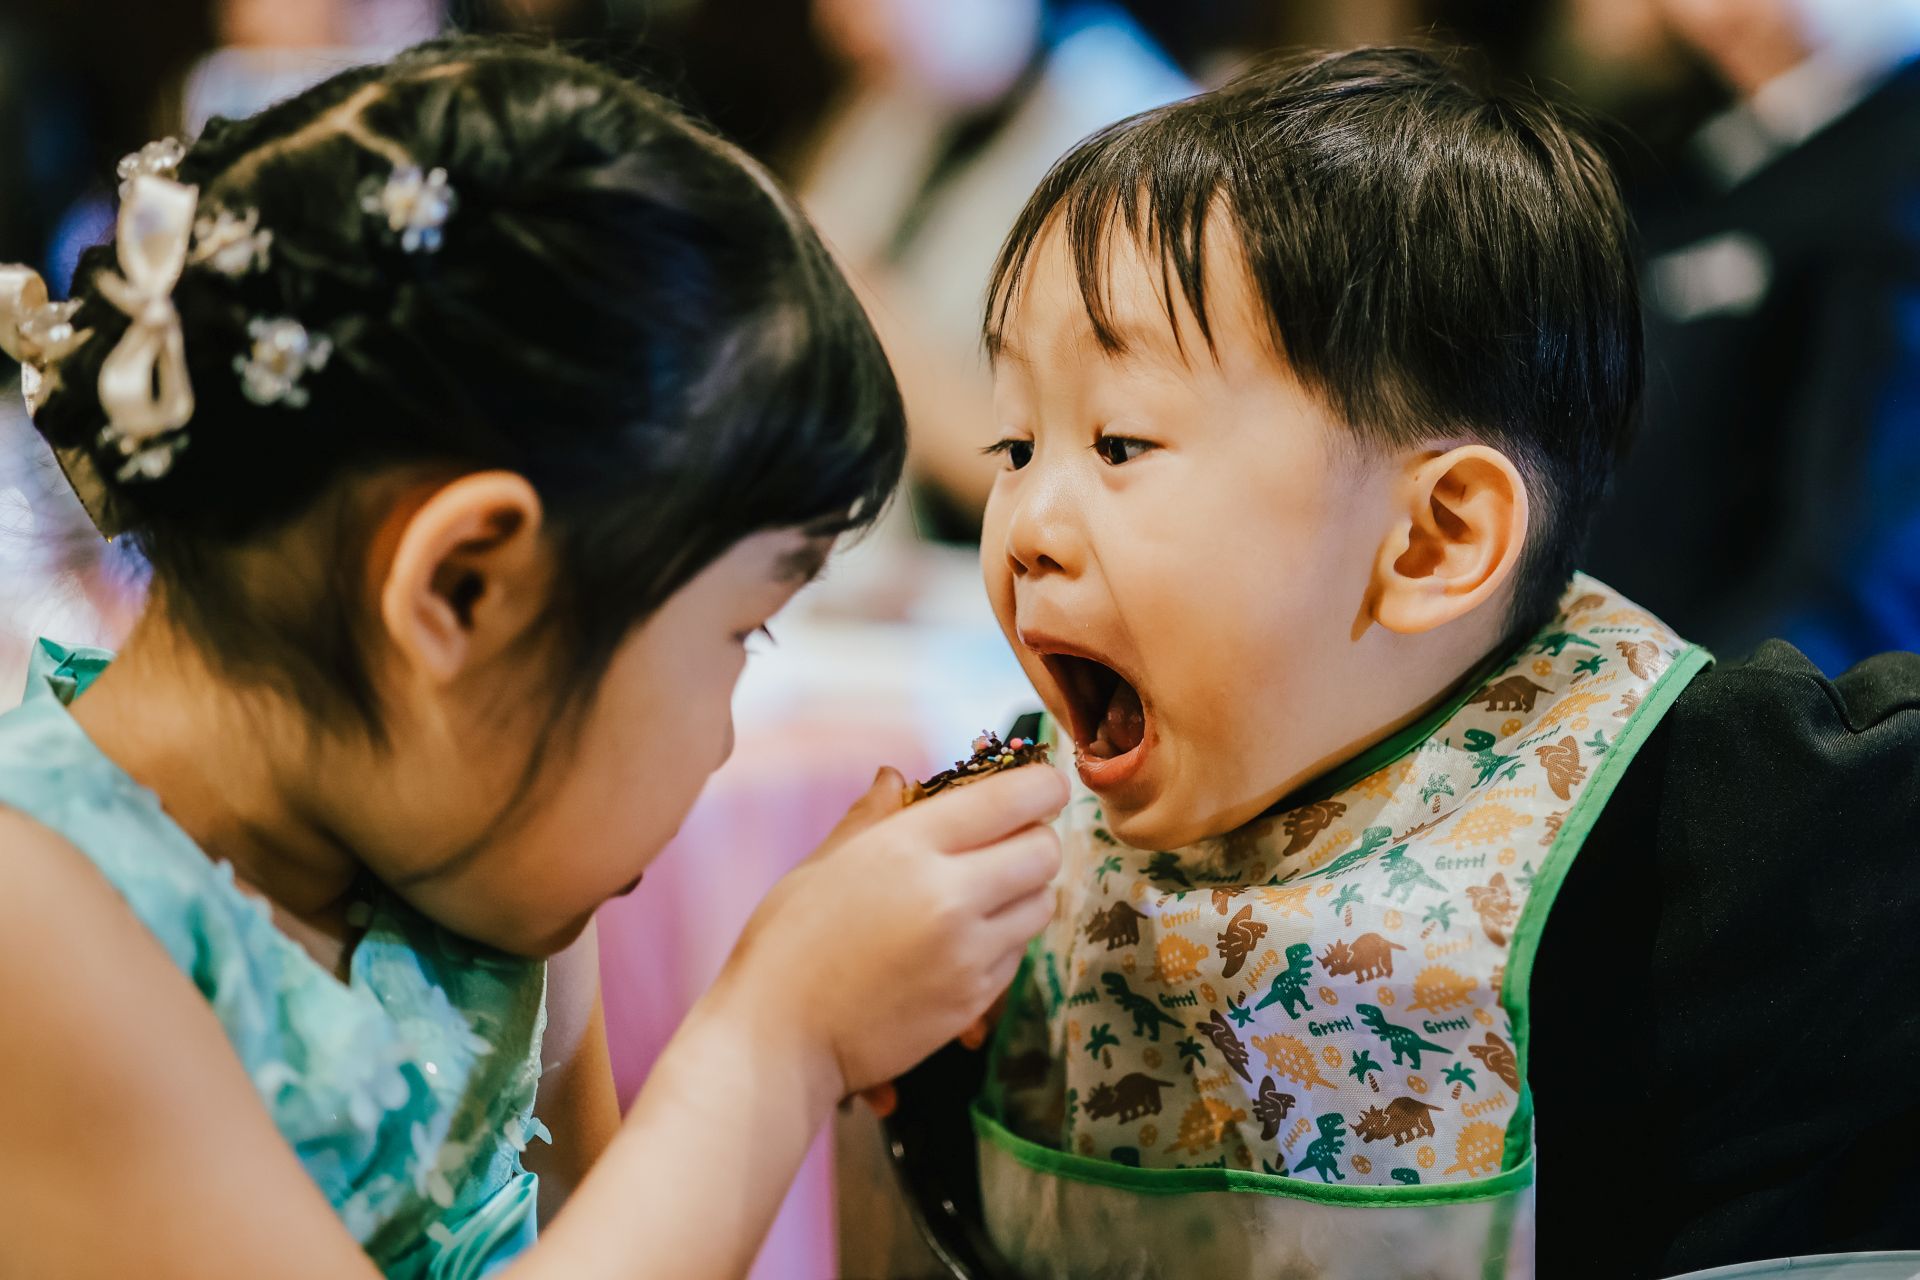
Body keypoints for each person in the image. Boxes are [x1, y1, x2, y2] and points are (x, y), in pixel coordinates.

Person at [0, 38, 1069, 1279]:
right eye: (740, 632)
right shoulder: (37, 922)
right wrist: (779, 1035)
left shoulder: (466, 846)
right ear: (462, 589)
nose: (726, 732)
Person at [883, 46, 1920, 1279]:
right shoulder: (1024, 847)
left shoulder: (1704, 807)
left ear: (1434, 539)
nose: (1028, 527)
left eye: (1120, 443)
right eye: (1014, 445)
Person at [1583, 0, 1920, 671]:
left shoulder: (1893, 165)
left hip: (1732, 693)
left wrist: (1690, 708)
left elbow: (1868, 553)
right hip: (1603, 661)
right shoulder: (1670, 150)